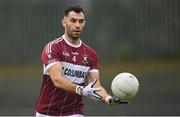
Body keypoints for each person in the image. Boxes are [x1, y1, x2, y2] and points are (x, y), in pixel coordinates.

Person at [35, 5, 127, 117]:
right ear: (64, 23)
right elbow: (57, 79)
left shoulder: (91, 54)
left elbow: (95, 86)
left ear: (84, 23)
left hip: (74, 112)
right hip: (47, 112)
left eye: (81, 21)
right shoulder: (53, 48)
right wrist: (80, 89)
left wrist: (108, 98)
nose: (77, 25)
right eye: (73, 21)